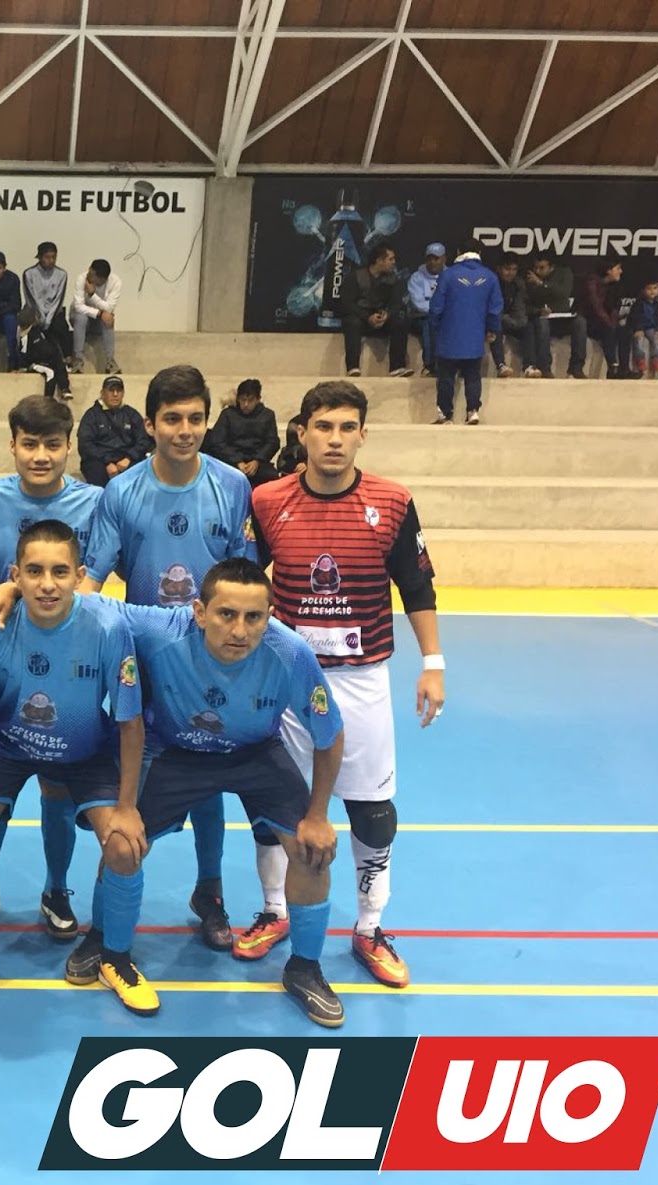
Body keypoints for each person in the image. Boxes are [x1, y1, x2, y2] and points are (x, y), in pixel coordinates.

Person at [75, 558, 347, 1026]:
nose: (239, 630)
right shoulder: (161, 630)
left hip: (255, 751)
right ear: (199, 611)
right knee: (122, 842)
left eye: (254, 617)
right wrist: (7, 592)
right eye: (226, 615)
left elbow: (329, 734)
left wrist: (319, 815)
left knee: (310, 849)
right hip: (173, 752)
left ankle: (305, 968)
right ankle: (104, 940)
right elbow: (78, 600)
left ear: (270, 614)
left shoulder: (291, 652)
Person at [245, 380, 443, 990]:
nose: (334, 439)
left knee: (371, 809)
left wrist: (433, 663)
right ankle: (276, 910)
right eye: (322, 427)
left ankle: (370, 926)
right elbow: (247, 586)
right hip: (284, 682)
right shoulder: (266, 501)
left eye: (346, 427)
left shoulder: (392, 501)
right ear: (301, 432)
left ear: (362, 434)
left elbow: (416, 585)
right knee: (274, 806)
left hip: (362, 681)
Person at [76, 365, 253, 949]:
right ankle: (105, 924)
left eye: (195, 418)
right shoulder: (121, 491)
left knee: (210, 785)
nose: (184, 430)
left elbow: (245, 577)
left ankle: (210, 891)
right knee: (130, 791)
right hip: (147, 665)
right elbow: (93, 580)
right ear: (149, 423)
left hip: (215, 665)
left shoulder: (232, 486)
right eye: (172, 419)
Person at [0, 522, 149, 1010]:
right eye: (33, 572)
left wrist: (127, 806)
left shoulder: (109, 628)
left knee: (125, 845)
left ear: (80, 576)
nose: (47, 584)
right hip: (6, 742)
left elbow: (130, 721)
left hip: (83, 750)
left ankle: (115, 956)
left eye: (59, 572)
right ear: (15, 575)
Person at [0, 398, 101, 935]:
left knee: (57, 789)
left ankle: (56, 887)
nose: (41, 455)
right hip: (6, 662)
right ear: (12, 445)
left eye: (53, 445)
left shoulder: (95, 501)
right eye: (29, 444)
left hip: (70, 665)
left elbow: (91, 580)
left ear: (68, 446)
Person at [427, 238, 501, 425]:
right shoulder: (491, 277)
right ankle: (473, 411)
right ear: (480, 253)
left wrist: (435, 326)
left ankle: (445, 414)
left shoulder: (448, 275)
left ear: (459, 251)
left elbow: (436, 306)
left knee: (445, 376)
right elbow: (495, 309)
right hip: (475, 337)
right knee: (473, 375)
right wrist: (492, 329)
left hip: (448, 335)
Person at [341, 243, 411, 378]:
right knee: (351, 322)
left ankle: (397, 367)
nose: (393, 263)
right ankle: (352, 367)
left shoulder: (393, 280)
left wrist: (387, 315)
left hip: (382, 320)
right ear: (379, 260)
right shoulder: (356, 277)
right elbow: (347, 303)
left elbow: (397, 303)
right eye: (390, 259)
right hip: (362, 319)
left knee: (401, 321)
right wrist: (367, 317)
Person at [76, 375, 153, 487]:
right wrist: (107, 462)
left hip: (127, 460)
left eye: (119, 390)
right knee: (94, 469)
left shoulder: (132, 414)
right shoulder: (91, 415)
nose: (115, 394)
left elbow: (144, 439)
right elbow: (85, 444)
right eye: (111, 390)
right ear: (102, 393)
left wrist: (129, 458)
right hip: (100, 462)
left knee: (142, 469)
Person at [204, 378, 280, 488]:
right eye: (243, 399)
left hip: (258, 463)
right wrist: (237, 461)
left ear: (258, 399)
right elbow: (217, 441)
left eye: (250, 400)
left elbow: (272, 442)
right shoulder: (228, 414)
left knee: (272, 479)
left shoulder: (267, 415)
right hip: (231, 462)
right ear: (238, 399)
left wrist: (257, 460)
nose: (246, 404)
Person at [573, 256, 629, 379]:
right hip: (588, 320)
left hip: (602, 323)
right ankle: (612, 366)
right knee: (608, 328)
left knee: (623, 330)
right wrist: (610, 323)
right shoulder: (592, 282)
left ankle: (623, 369)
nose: (621, 271)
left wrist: (614, 323)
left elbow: (614, 309)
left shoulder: (615, 285)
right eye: (618, 268)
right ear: (608, 270)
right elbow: (596, 307)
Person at [522, 253, 571, 379]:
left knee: (580, 322)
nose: (537, 271)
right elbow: (525, 303)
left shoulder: (564, 274)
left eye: (542, 268)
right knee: (541, 324)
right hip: (540, 318)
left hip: (561, 317)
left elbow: (563, 293)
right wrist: (539, 311)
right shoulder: (530, 279)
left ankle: (576, 368)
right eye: (536, 268)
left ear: (551, 267)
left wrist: (541, 284)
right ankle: (544, 367)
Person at [69, 258, 121, 374]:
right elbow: (78, 306)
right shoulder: (82, 279)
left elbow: (109, 308)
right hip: (79, 319)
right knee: (81, 316)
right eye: (89, 270)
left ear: (101, 279)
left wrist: (92, 295)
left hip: (98, 322)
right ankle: (78, 360)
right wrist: (99, 313)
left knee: (108, 318)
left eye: (92, 274)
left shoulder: (115, 282)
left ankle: (110, 362)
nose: (88, 274)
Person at [23, 241, 71, 363]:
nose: (51, 260)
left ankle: (67, 359)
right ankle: (26, 361)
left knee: (61, 326)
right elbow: (31, 298)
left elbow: (59, 299)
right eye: (47, 257)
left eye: (54, 257)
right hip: (34, 310)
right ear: (39, 257)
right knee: (30, 327)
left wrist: (48, 318)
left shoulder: (62, 274)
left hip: (54, 311)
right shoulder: (29, 273)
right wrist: (41, 316)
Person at [407, 242, 446, 375]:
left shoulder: (451, 276)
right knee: (429, 322)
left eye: (436, 258)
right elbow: (419, 304)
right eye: (429, 258)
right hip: (420, 318)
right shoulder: (416, 278)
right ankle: (429, 365)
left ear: (444, 259)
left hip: (444, 318)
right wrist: (438, 312)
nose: (432, 262)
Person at [489, 253, 530, 380]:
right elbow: (492, 310)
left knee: (529, 327)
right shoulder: (491, 282)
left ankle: (529, 366)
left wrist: (518, 322)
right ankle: (501, 365)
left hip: (511, 320)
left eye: (514, 269)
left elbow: (519, 308)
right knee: (495, 324)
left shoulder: (518, 284)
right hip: (493, 319)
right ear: (499, 268)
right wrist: (508, 320)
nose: (510, 273)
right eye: (507, 269)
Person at [630, 280, 658, 379]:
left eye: (655, 288)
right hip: (641, 328)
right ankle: (640, 360)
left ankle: (656, 359)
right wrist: (638, 329)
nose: (652, 291)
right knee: (639, 340)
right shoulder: (638, 303)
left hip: (652, 328)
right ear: (643, 291)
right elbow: (635, 317)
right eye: (649, 289)